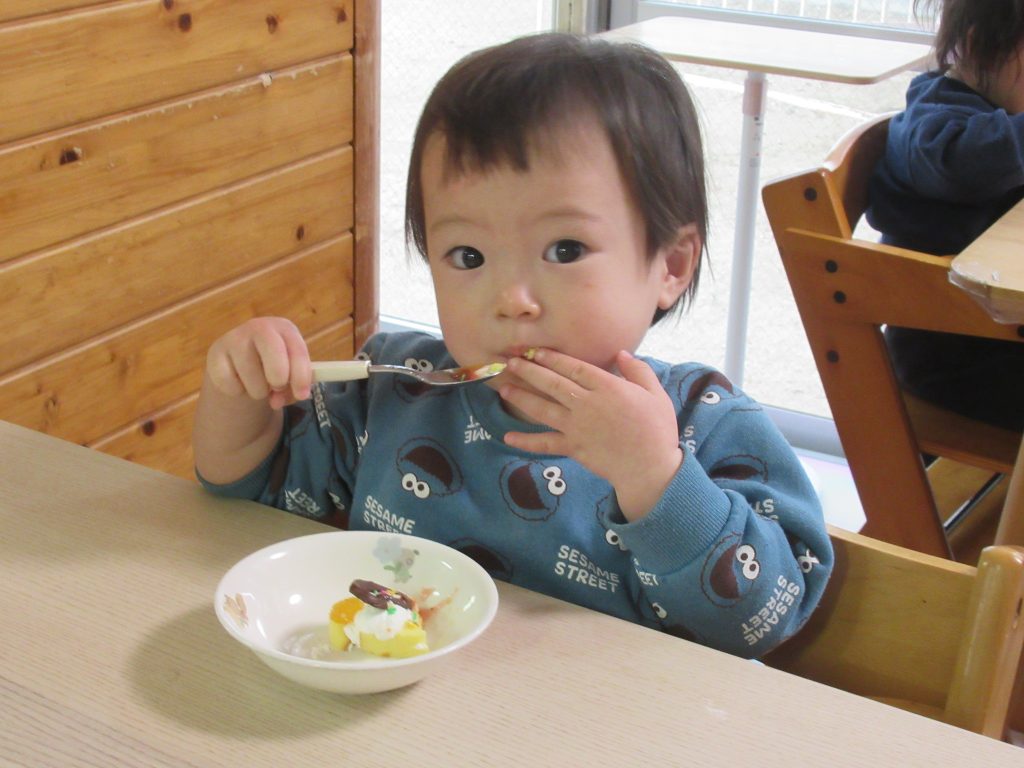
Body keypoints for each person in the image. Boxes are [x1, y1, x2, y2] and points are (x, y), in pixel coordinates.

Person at [193, 32, 833, 658]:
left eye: (565, 249)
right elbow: (252, 491)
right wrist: (240, 392)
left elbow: (764, 622)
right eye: (468, 256)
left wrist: (655, 477)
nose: (512, 299)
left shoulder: (707, 421)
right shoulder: (394, 390)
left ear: (670, 264)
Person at [866, 0, 1024, 431]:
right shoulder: (936, 122)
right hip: (956, 361)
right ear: (976, 47)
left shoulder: (1001, 111)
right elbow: (964, 165)